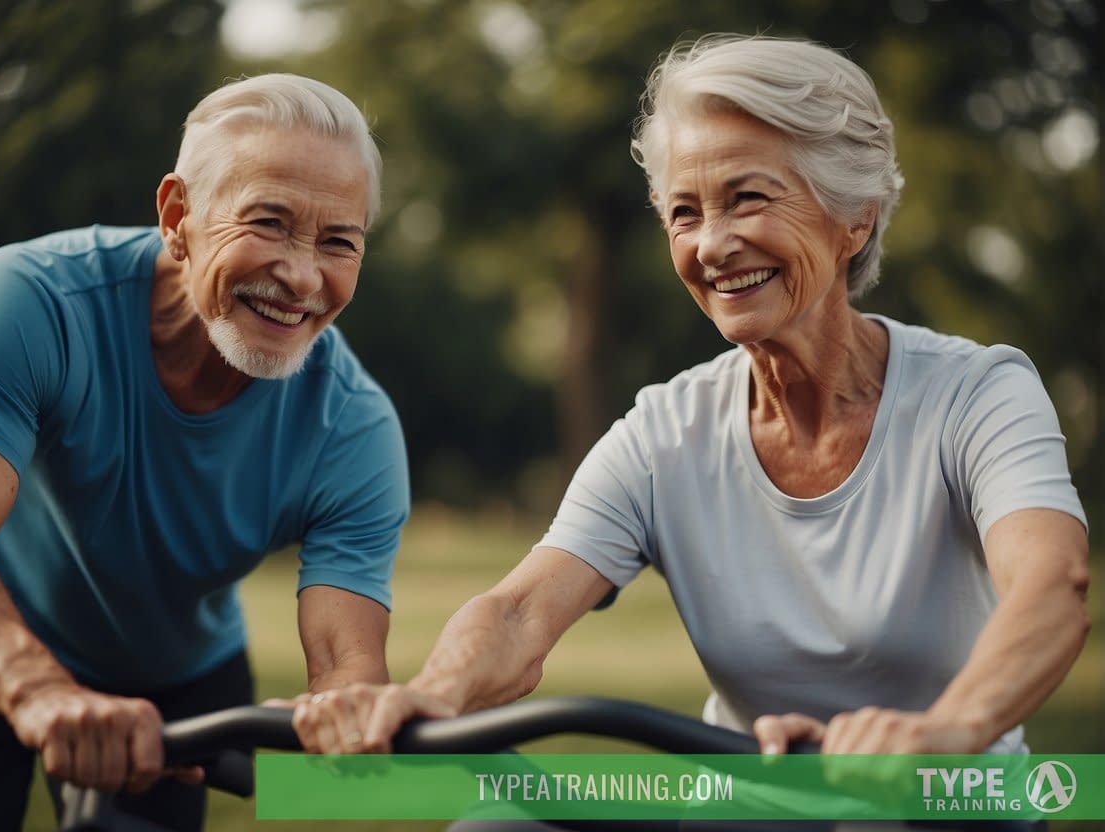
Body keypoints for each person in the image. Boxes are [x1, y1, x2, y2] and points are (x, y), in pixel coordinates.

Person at [286, 34, 1090, 829]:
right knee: (498, 825)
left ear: (853, 218)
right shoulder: (663, 430)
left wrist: (945, 731)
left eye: (747, 198)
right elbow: (519, 614)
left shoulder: (976, 392)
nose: (710, 244)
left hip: (943, 803)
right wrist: (432, 696)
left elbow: (1049, 589)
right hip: (751, 804)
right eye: (683, 212)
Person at [0, 73, 409, 832]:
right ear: (178, 216)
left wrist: (339, 717)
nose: (302, 276)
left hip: (178, 676)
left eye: (338, 242)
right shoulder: (34, 298)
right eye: (267, 222)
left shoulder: (355, 430)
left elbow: (347, 664)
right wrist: (42, 692)